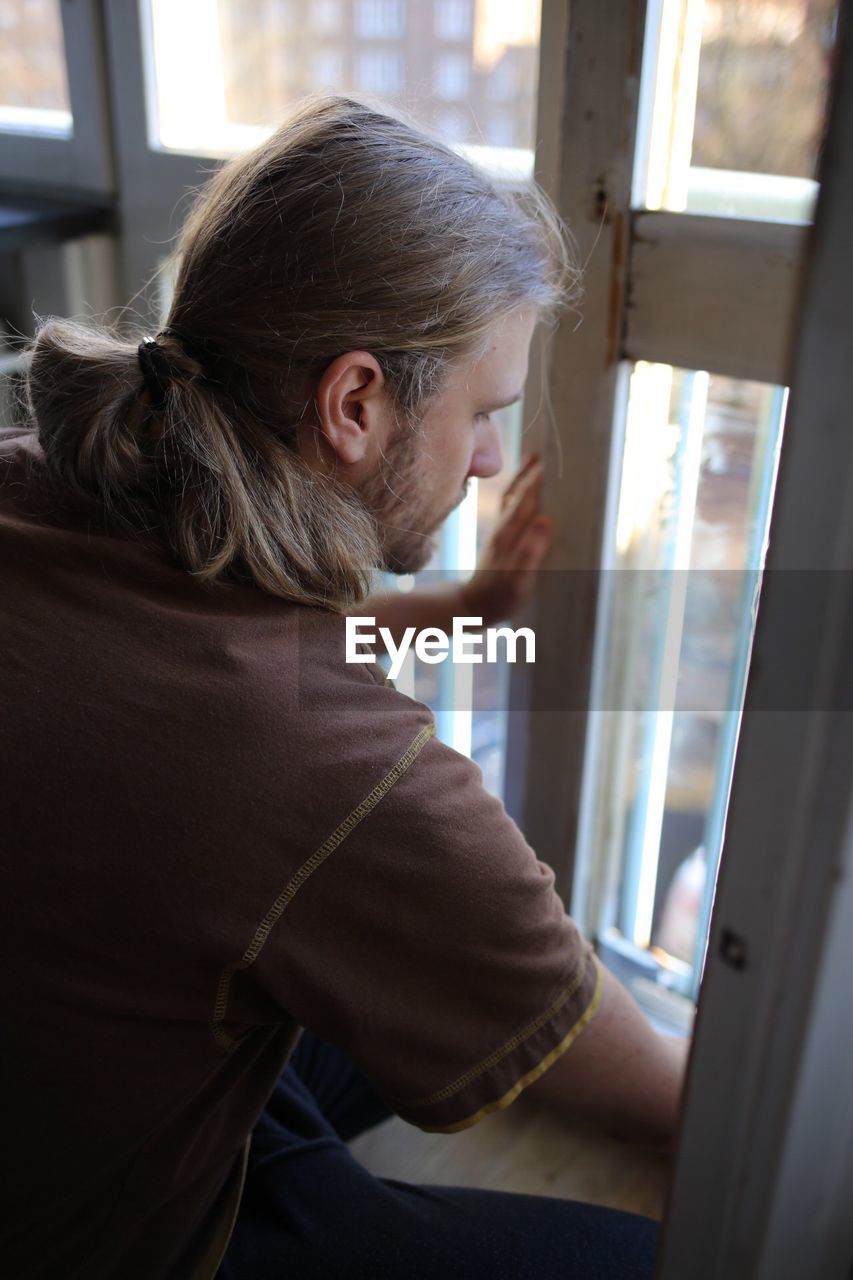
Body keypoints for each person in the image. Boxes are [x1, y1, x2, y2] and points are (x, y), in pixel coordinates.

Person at [0, 96, 685, 1280]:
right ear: (355, 401)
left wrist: (455, 616)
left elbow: (198, 624)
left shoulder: (41, 479)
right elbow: (660, 1098)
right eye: (483, 412)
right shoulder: (334, 771)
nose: (486, 457)